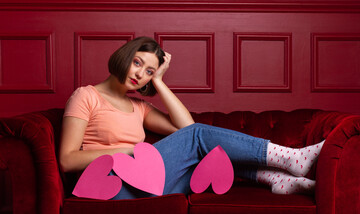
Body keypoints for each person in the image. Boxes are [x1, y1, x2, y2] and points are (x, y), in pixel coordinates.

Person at [60, 36, 325, 200]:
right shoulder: (86, 96)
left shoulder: (138, 107)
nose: (141, 74)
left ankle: (276, 180)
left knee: (210, 157)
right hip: (109, 185)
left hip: (147, 182)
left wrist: (160, 82)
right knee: (198, 137)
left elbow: (186, 127)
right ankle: (287, 157)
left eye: (149, 71)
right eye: (138, 63)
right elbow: (67, 160)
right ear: (125, 57)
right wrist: (128, 151)